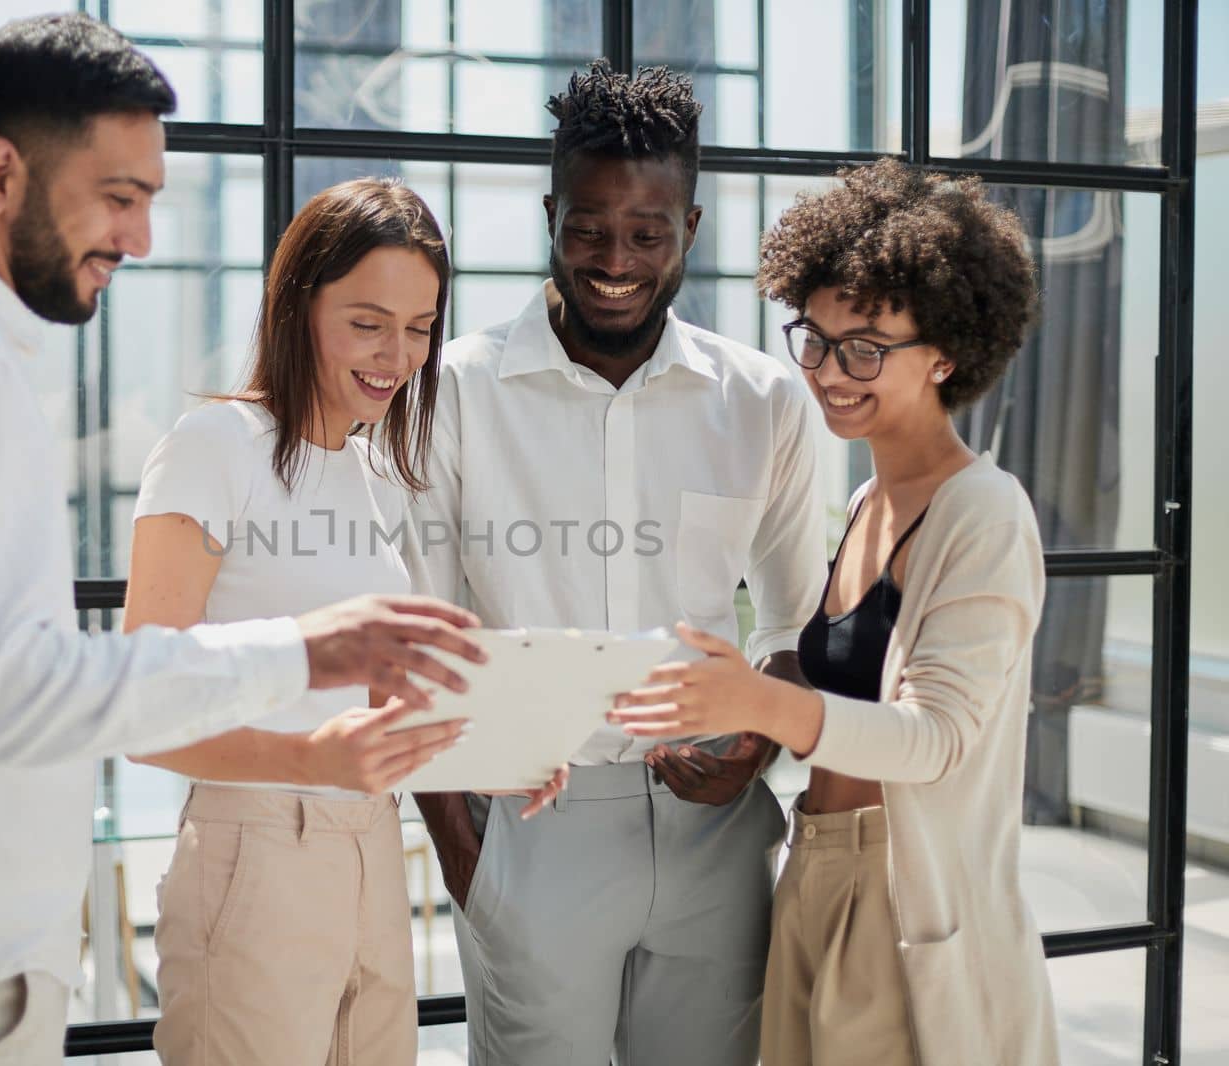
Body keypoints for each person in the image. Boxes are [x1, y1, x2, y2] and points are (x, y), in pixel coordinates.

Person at [0, 18, 486, 1066]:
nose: (137, 240)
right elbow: (5, 686)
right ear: (0, 172)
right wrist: (303, 652)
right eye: (118, 198)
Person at [412, 61, 825, 1066]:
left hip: (713, 835)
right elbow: (418, 631)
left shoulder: (762, 400)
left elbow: (795, 622)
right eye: (588, 228)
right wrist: (468, 859)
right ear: (550, 213)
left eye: (646, 233)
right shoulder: (455, 392)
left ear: (689, 228)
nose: (614, 260)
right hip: (527, 821)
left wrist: (753, 752)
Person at [610, 158, 1060, 1065]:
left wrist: (757, 705)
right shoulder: (865, 502)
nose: (828, 371)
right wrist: (744, 731)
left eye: (865, 346)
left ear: (947, 349)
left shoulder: (984, 511)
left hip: (903, 898)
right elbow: (832, 691)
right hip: (814, 873)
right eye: (812, 339)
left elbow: (933, 739)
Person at [123, 177, 563, 1065]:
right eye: (367, 322)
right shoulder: (214, 449)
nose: (396, 355)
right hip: (254, 854)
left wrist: (493, 751)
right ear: (297, 306)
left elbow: (360, 710)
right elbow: (141, 708)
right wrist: (309, 761)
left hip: (371, 851)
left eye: (419, 326)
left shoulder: (371, 477)